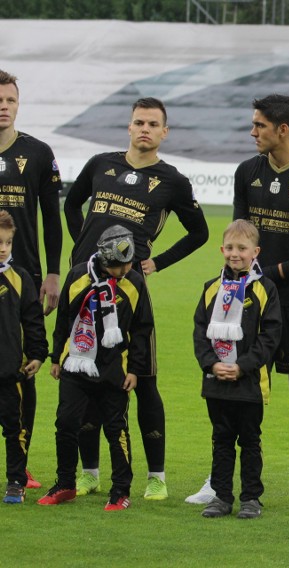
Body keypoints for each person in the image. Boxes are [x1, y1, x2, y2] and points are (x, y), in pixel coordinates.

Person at [64, 97, 209, 501]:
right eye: (139, 122)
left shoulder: (173, 182)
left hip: (130, 293)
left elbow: (199, 233)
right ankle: (90, 473)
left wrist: (156, 263)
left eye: (153, 124)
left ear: (165, 132)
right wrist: (81, 248)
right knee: (85, 374)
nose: (145, 128)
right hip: (86, 285)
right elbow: (72, 203)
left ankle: (156, 477)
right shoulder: (99, 164)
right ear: (128, 127)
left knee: (143, 380)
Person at [204, 93, 289, 511]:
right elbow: (239, 231)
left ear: (282, 129)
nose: (253, 131)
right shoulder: (248, 172)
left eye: (259, 125)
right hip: (244, 302)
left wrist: (271, 275)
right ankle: (218, 481)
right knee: (232, 384)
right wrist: (246, 278)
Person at [37, 226, 154, 511]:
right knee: (65, 424)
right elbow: (64, 316)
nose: (125, 269)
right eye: (119, 265)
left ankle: (120, 490)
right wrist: (56, 357)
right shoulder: (78, 275)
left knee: (117, 429)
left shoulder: (135, 283)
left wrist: (135, 370)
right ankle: (65, 483)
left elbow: (142, 329)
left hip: (115, 369)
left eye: (128, 263)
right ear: (104, 260)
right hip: (75, 363)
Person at [192, 220, 282, 519]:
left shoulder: (265, 289)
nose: (235, 254)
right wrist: (211, 364)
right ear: (221, 249)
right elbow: (199, 331)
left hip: (250, 382)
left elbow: (271, 336)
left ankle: (251, 498)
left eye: (242, 248)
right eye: (230, 247)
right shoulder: (211, 288)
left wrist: (242, 366)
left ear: (255, 252)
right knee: (221, 440)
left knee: (250, 441)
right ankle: (221, 496)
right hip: (216, 380)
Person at [0, 69, 63, 489]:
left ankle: (19, 467)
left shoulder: (38, 153)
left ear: (18, 104)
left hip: (22, 281)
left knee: (24, 367)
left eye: (9, 100)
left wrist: (54, 272)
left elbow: (52, 219)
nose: (3, 107)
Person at [0, 211, 47, 504]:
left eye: (7, 242)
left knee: (16, 429)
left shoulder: (20, 279)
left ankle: (16, 481)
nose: (3, 247)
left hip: (11, 373)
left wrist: (39, 355)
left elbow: (33, 321)